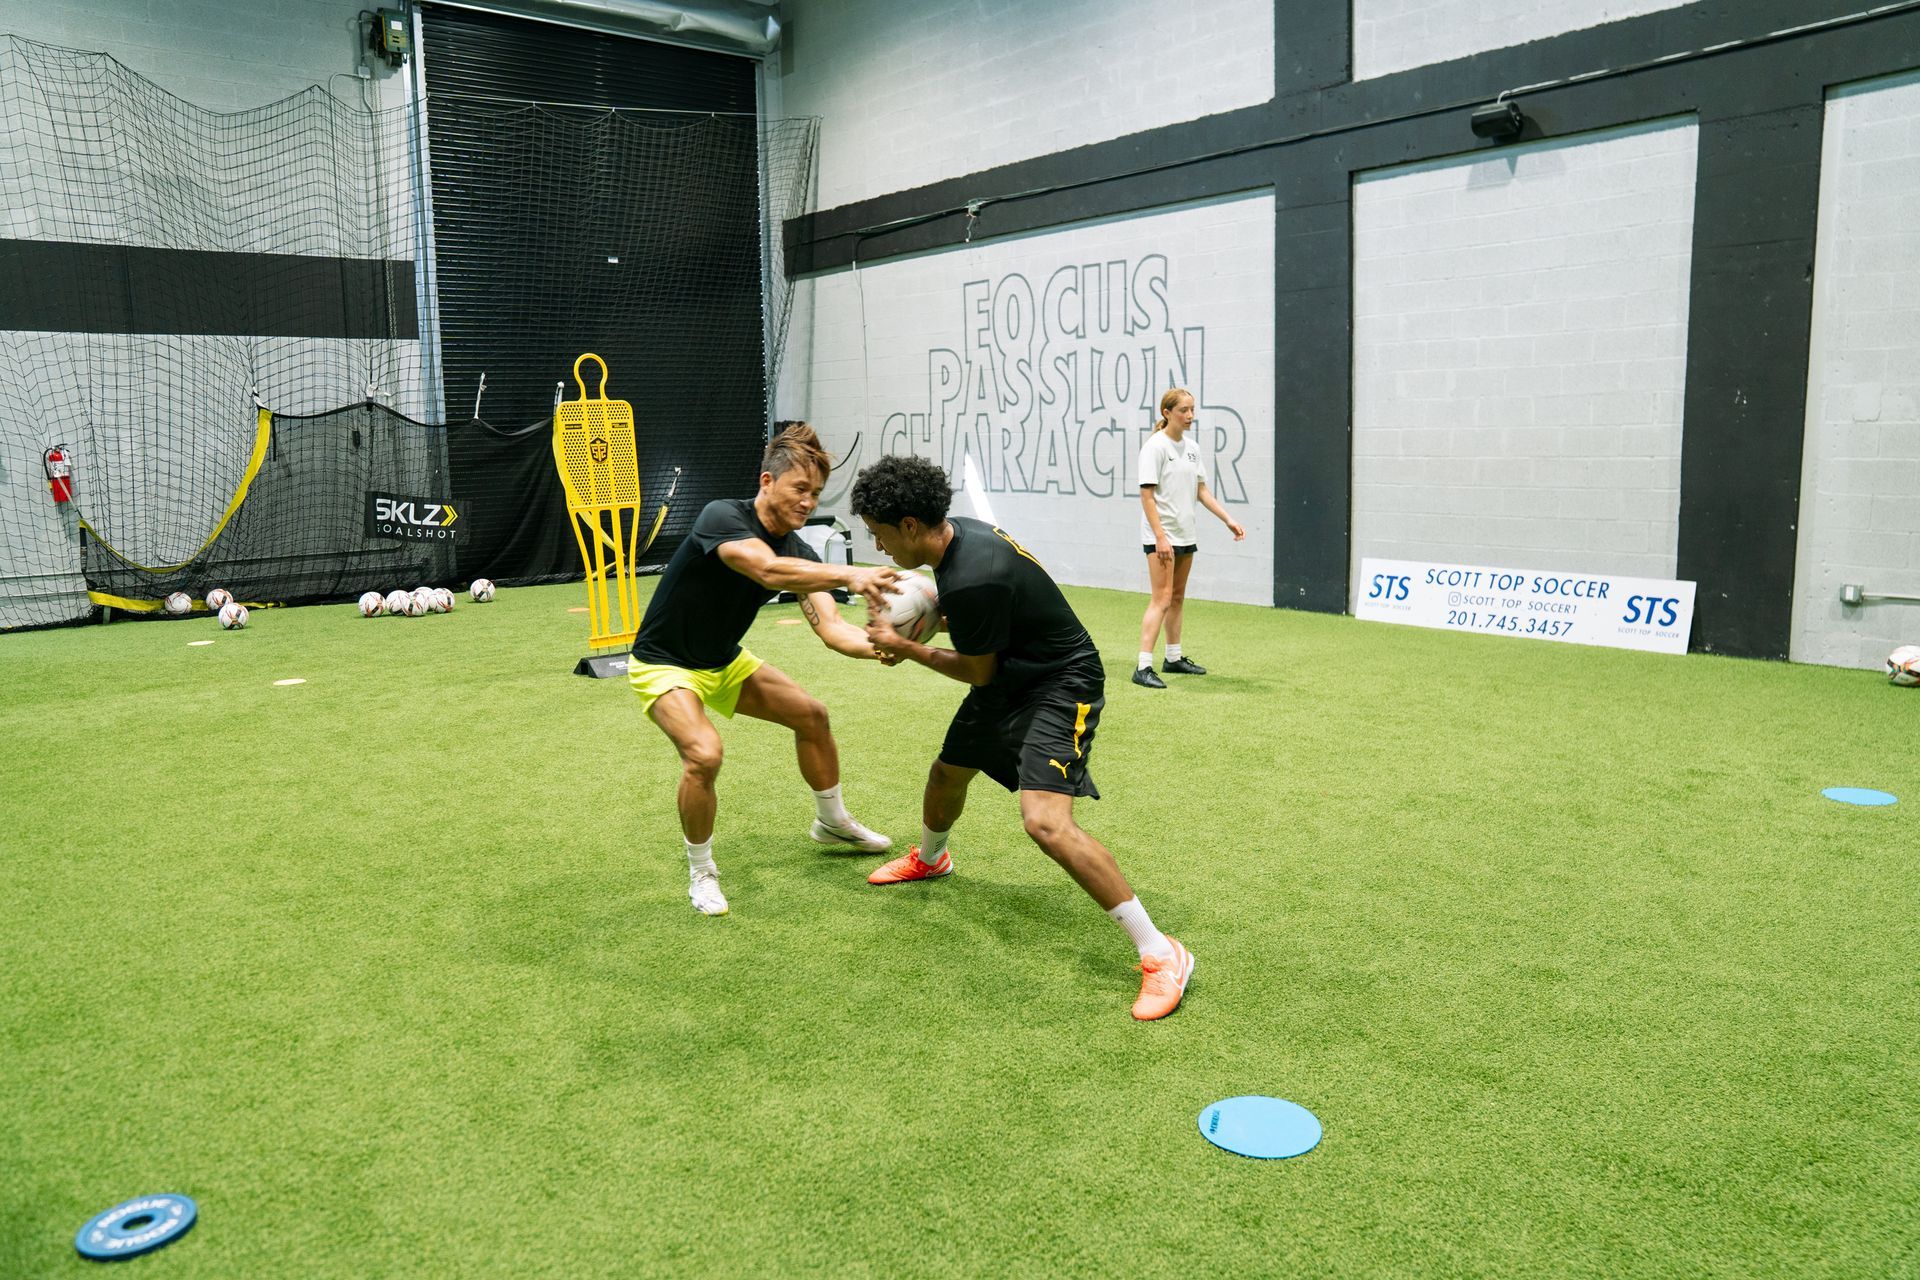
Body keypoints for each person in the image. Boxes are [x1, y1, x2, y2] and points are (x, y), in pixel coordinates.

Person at [851, 454, 1194, 1021]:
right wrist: (924, 622)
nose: (880, 547)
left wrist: (907, 646)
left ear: (909, 525)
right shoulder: (957, 543)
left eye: (880, 534)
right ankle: (932, 859)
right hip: (1014, 672)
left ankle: (1162, 952)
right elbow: (980, 640)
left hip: (1060, 682)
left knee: (1044, 821)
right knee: (946, 773)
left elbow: (976, 671)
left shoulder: (972, 573)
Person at [629, 422, 900, 916]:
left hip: (723, 661)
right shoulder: (722, 517)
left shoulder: (801, 551)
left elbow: (834, 629)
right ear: (767, 482)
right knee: (705, 755)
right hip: (664, 664)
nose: (808, 502)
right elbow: (765, 570)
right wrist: (851, 572)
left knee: (811, 715)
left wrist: (891, 644)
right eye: (800, 489)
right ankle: (702, 871)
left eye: (816, 494)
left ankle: (832, 821)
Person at [1132, 386, 1246, 689]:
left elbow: (1201, 490)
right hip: (1162, 536)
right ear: (1167, 413)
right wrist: (1160, 536)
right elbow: (1147, 496)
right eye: (1184, 410)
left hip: (1185, 533)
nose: (1190, 415)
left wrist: (1228, 519)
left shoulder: (1192, 448)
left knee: (1178, 598)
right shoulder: (1154, 447)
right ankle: (1143, 666)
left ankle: (1173, 658)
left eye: (1192, 409)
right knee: (1162, 599)